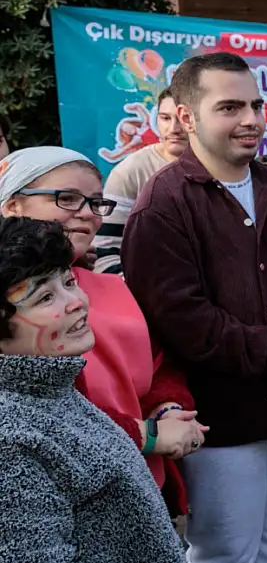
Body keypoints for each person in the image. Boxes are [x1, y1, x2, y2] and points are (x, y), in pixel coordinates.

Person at [121, 52, 267, 563]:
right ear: (188, 117)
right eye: (230, 107)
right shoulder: (162, 205)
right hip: (221, 419)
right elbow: (181, 320)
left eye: (257, 105)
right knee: (225, 552)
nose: (252, 120)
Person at [0, 146, 203, 517]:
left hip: (140, 486)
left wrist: (168, 407)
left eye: (95, 203)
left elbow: (158, 363)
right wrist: (146, 435)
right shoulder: (10, 308)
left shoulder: (111, 286)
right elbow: (44, 418)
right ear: (12, 204)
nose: (86, 213)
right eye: (67, 198)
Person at [0, 217, 186, 563]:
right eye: (44, 297)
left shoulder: (52, 387)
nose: (76, 302)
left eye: (69, 281)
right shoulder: (11, 442)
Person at [93, 87, 190, 274]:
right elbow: (105, 249)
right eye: (165, 118)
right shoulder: (130, 171)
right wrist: (139, 293)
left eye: (183, 119)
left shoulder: (226, 168)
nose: (174, 129)